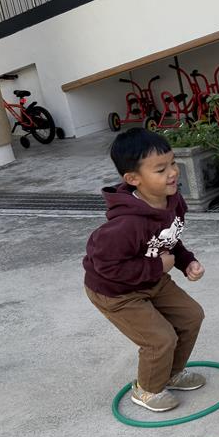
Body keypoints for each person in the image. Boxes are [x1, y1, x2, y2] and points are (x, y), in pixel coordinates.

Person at [83, 128, 206, 413]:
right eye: (160, 169)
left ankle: (171, 373)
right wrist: (157, 266)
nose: (172, 172)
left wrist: (186, 261)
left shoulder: (173, 201)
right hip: (116, 292)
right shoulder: (125, 224)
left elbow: (168, 239)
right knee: (160, 339)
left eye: (172, 163)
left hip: (151, 279)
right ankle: (147, 389)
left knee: (191, 316)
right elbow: (106, 266)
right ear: (133, 179)